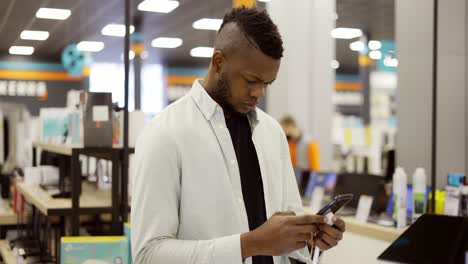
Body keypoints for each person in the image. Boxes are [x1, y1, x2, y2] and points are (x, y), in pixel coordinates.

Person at [131, 7, 345, 264]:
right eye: (251, 80)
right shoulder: (164, 134)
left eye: (266, 84)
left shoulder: (272, 133)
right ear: (219, 62)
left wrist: (311, 239)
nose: (259, 93)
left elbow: (288, 244)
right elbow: (148, 255)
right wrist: (251, 244)